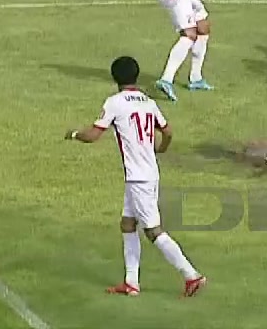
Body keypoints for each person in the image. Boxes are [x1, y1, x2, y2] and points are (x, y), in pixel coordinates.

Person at [63, 56, 206, 298]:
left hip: (139, 177)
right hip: (146, 173)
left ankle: (191, 275)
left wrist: (74, 134)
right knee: (128, 224)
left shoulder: (115, 102)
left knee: (153, 231)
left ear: (115, 77)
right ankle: (131, 282)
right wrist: (159, 149)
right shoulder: (148, 102)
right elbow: (168, 131)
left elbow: (94, 135)